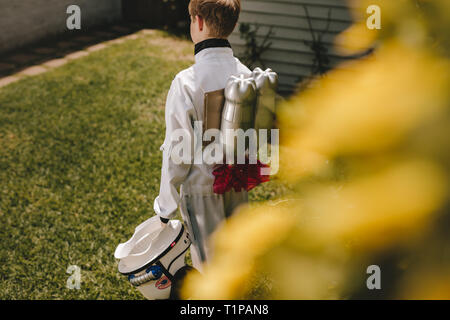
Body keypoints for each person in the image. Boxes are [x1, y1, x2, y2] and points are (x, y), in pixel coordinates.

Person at [153, 0, 250, 272]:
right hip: (238, 183)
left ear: (198, 22)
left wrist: (164, 207)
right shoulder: (246, 74)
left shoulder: (186, 82)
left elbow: (178, 151)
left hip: (202, 188)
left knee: (209, 267)